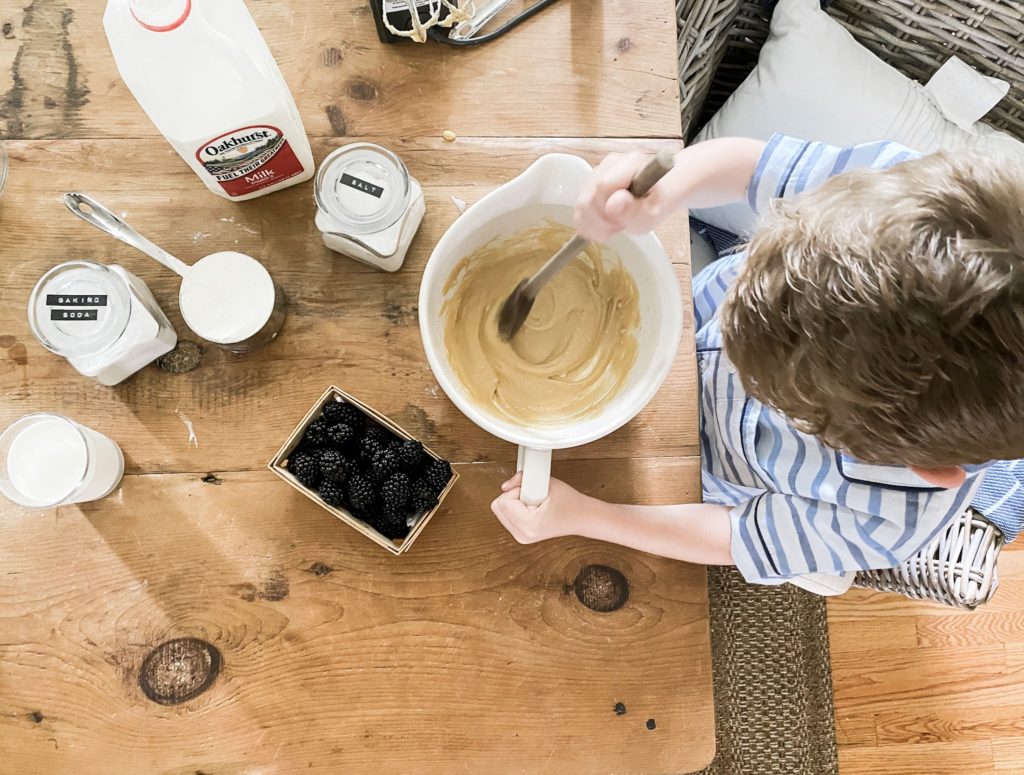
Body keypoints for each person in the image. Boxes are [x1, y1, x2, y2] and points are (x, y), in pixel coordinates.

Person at [490, 135, 1024, 587]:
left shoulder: (888, 523)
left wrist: (584, 514)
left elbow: (736, 536)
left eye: (787, 402)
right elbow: (753, 166)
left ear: (929, 470)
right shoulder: (900, 202)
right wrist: (666, 186)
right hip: (680, 323)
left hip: (698, 466)